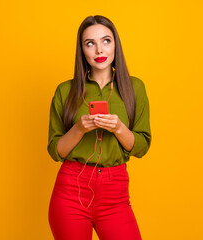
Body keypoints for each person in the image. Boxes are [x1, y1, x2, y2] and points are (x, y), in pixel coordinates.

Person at [47, 15, 151, 240]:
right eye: (90, 43)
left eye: (106, 41)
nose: (99, 50)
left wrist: (119, 128)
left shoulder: (135, 88)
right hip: (71, 191)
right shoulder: (65, 91)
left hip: (115, 194)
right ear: (82, 50)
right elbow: (56, 151)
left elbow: (141, 146)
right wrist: (79, 129)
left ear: (115, 45)